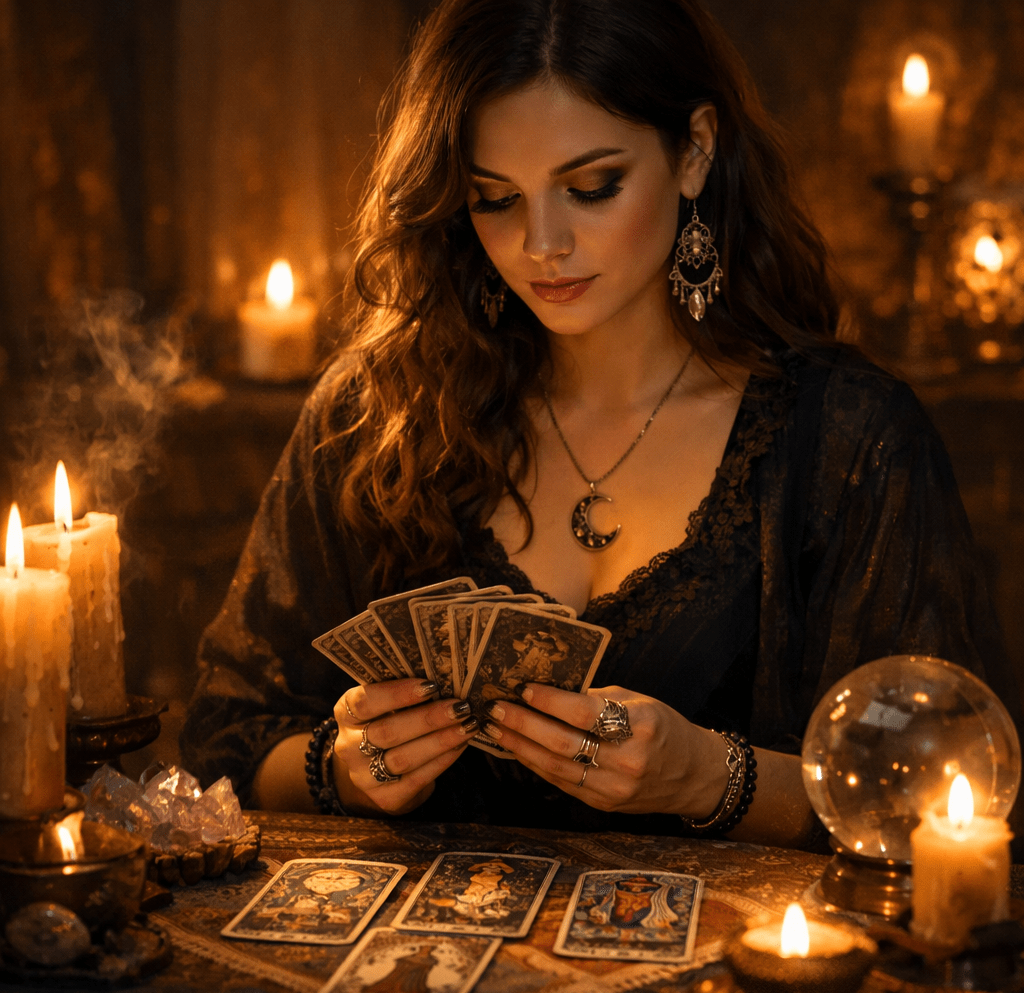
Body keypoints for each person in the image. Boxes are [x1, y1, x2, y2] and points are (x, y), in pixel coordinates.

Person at [180, 0, 1019, 850]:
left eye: (591, 188)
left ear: (694, 151)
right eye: (495, 199)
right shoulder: (375, 416)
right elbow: (226, 745)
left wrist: (710, 777)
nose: (542, 243)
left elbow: (941, 798)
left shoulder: (851, 440)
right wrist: (343, 770)